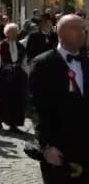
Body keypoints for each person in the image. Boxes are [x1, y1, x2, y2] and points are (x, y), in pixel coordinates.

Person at [30, 14, 89, 184]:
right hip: (60, 149)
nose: (82, 33)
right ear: (61, 33)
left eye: (84, 29)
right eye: (76, 29)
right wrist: (47, 145)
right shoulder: (43, 63)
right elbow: (37, 107)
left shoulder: (86, 61)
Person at [0, 23, 29, 132]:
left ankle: (14, 124)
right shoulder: (0, 45)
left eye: (15, 32)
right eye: (11, 32)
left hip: (18, 76)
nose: (14, 34)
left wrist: (27, 74)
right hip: (4, 76)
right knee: (4, 99)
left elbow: (24, 62)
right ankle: (0, 119)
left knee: (17, 99)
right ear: (6, 33)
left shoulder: (21, 46)